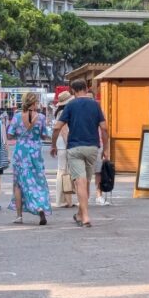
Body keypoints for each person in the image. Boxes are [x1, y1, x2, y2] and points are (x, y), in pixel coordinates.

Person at [50, 79, 108, 227]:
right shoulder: (95, 105)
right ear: (86, 88)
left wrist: (53, 145)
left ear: (73, 91)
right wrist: (105, 148)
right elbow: (104, 128)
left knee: (80, 183)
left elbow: (57, 127)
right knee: (86, 182)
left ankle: (86, 216)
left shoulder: (70, 105)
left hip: (75, 147)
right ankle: (80, 214)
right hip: (92, 148)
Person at [8, 92, 52, 226]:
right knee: (37, 181)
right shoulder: (41, 118)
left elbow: (10, 135)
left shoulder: (16, 117)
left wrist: (20, 135)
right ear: (35, 103)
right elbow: (44, 136)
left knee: (19, 183)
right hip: (35, 153)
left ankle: (19, 216)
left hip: (21, 152)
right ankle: (39, 207)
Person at [53, 91, 74, 209]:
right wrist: (69, 144)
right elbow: (64, 130)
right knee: (64, 171)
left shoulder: (59, 112)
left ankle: (66, 199)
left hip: (60, 144)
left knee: (63, 171)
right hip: (64, 144)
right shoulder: (64, 112)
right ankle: (64, 200)